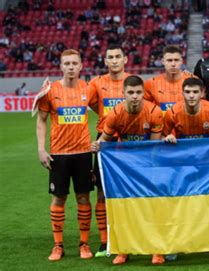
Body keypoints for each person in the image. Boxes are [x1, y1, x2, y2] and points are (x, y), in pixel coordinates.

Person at [91, 75, 164, 265]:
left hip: (148, 167)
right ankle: (123, 250)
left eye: (138, 92)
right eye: (130, 92)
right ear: (123, 93)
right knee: (124, 210)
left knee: (152, 209)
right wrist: (97, 145)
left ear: (143, 93)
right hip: (124, 170)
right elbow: (104, 139)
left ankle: (157, 250)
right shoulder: (115, 113)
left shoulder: (154, 112)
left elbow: (154, 148)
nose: (135, 96)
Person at [162, 77, 209, 260]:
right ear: (182, 93)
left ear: (202, 93)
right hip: (182, 167)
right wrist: (168, 137)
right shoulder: (173, 112)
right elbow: (163, 134)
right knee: (181, 206)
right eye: (188, 92)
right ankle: (176, 246)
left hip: (208, 167)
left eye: (195, 92)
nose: (191, 96)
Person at [36, 49, 94, 261]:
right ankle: (58, 245)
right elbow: (41, 120)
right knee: (59, 198)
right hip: (58, 155)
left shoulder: (89, 88)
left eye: (74, 63)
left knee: (83, 197)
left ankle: (84, 244)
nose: (70, 67)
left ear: (81, 66)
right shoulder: (50, 90)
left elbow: (105, 112)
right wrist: (41, 149)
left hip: (84, 153)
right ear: (61, 66)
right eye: (66, 63)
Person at [88, 44, 129, 257]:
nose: (114, 60)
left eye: (117, 56)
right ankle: (104, 241)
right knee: (102, 191)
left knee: (128, 191)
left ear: (125, 59)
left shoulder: (132, 82)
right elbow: (91, 104)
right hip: (105, 140)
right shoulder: (96, 83)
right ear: (105, 60)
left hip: (129, 140)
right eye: (110, 57)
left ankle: (128, 235)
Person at [144, 45, 193, 113]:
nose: (173, 64)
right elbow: (144, 108)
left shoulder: (192, 81)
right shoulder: (151, 83)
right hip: (161, 123)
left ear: (181, 61)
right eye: (169, 60)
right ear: (163, 61)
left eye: (176, 60)